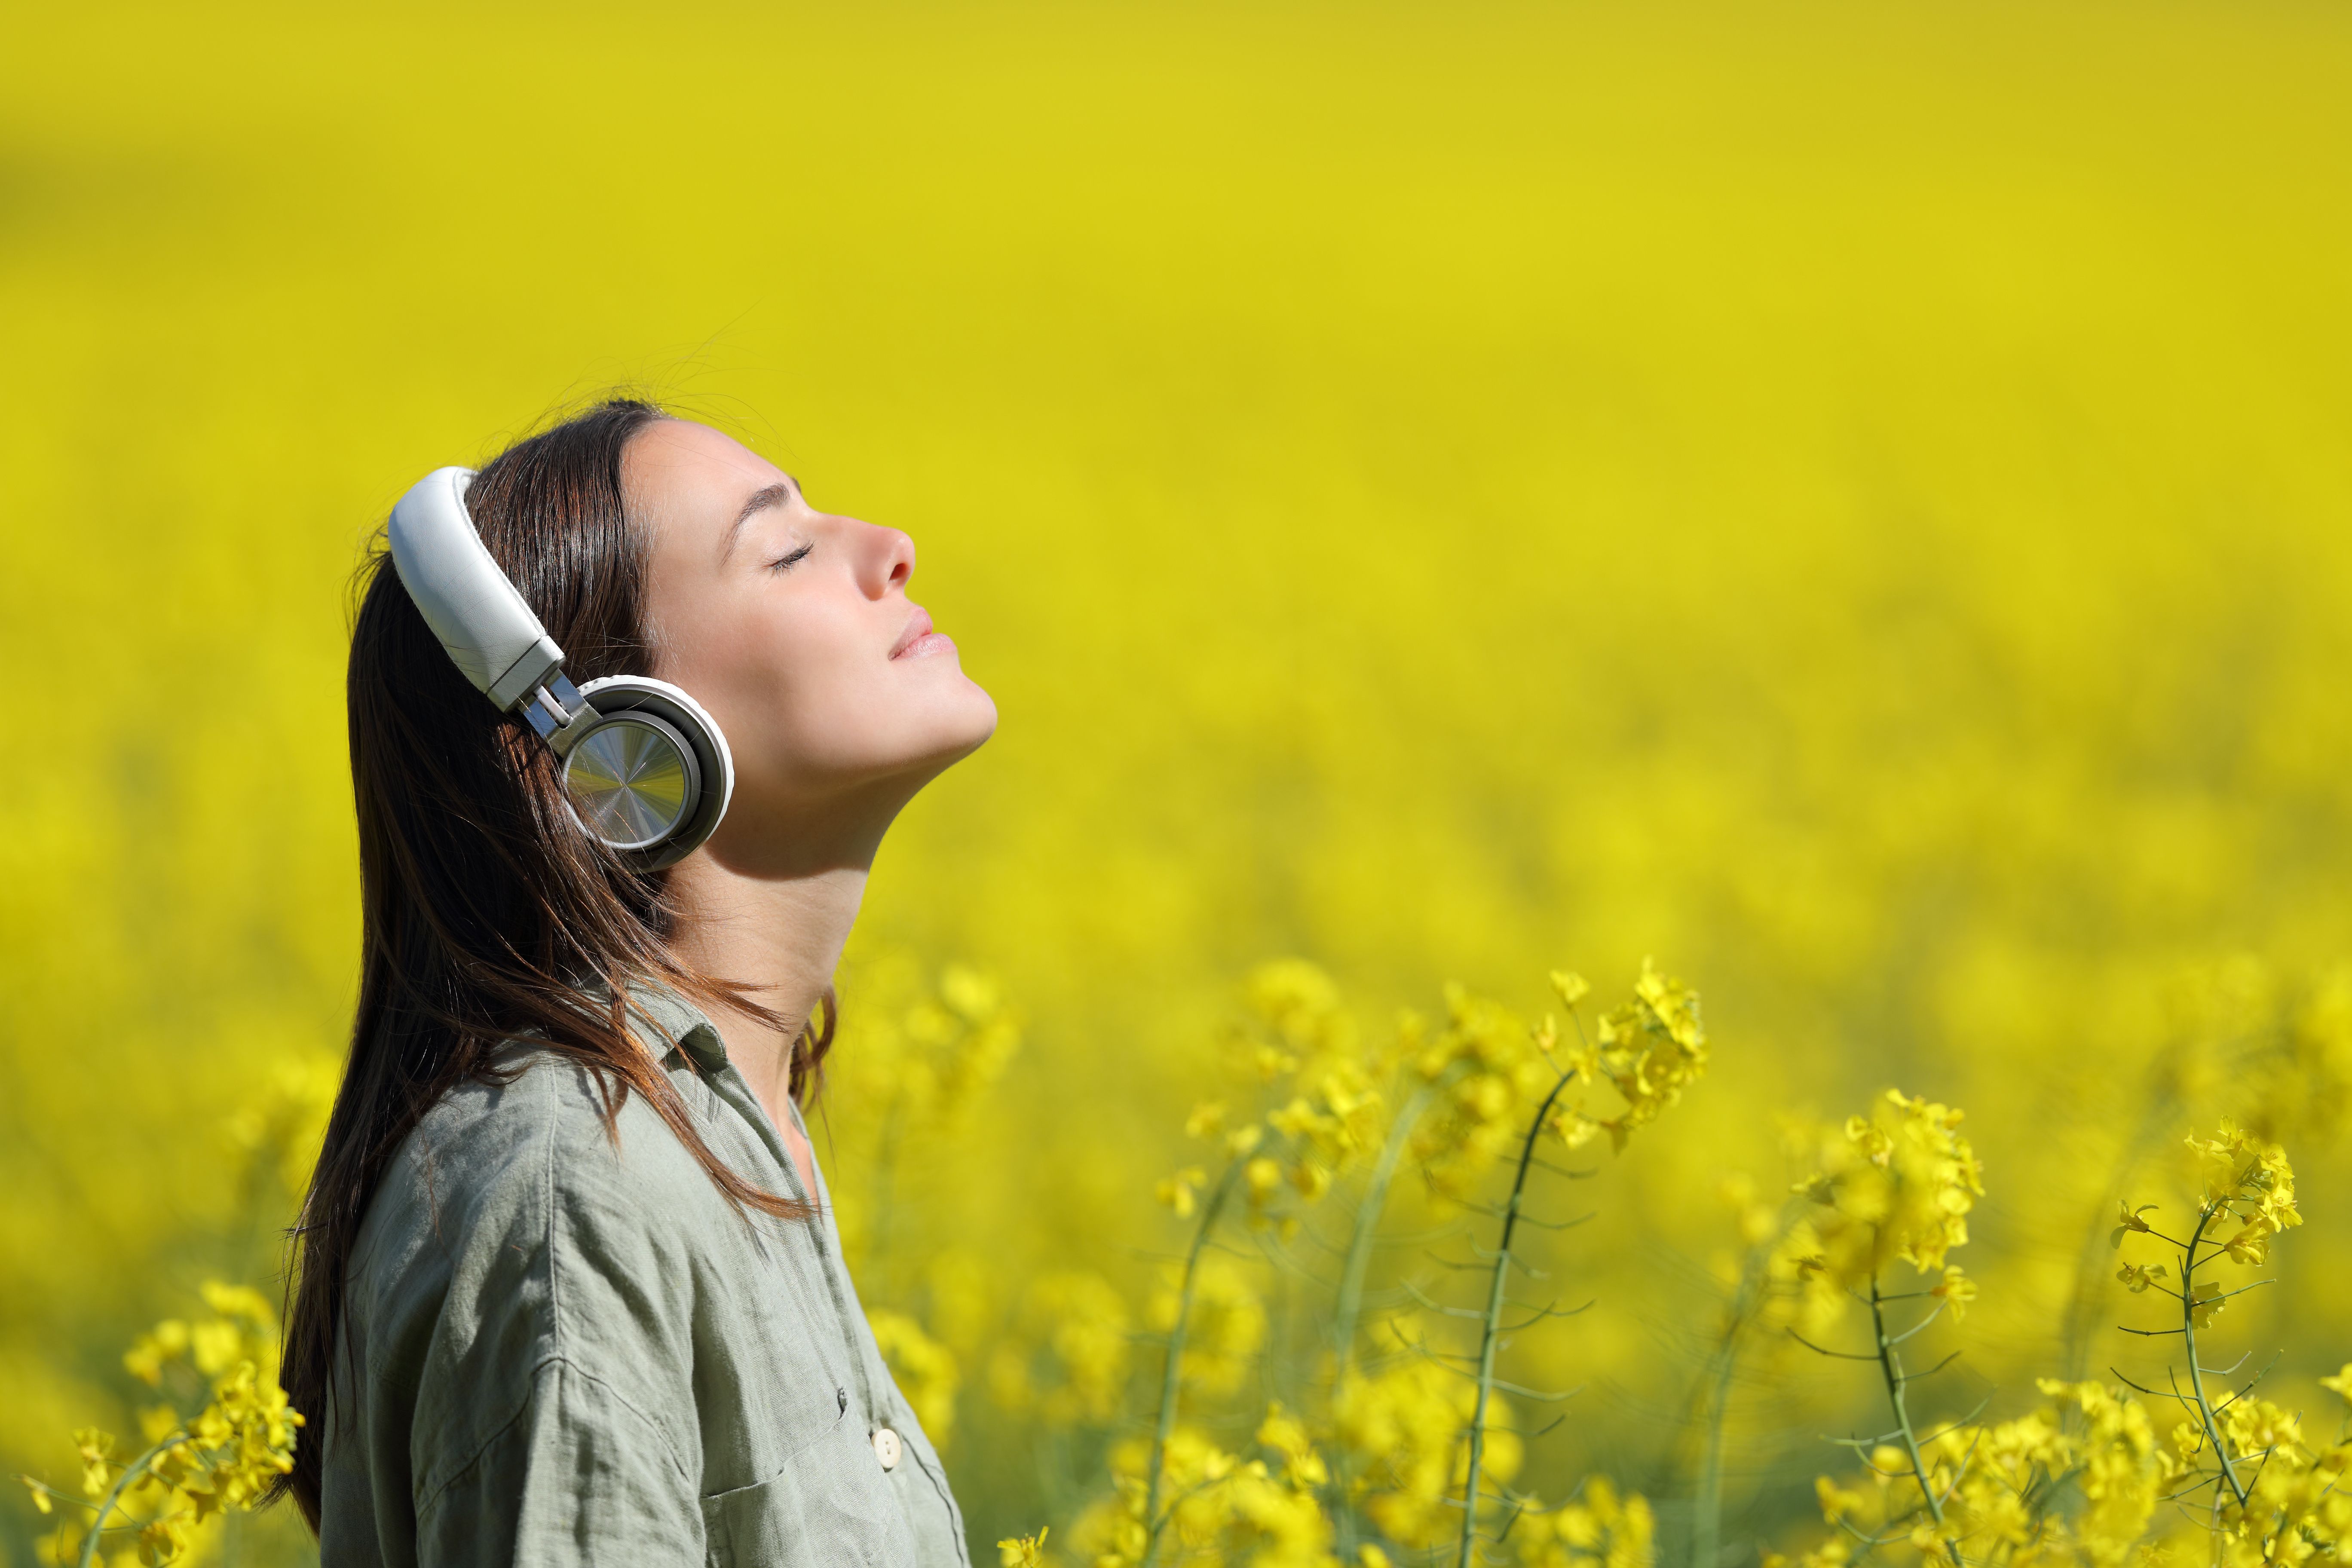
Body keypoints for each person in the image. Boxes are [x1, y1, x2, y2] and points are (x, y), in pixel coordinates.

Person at [276, 398, 998, 1565]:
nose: (890, 547)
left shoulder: (718, 1135)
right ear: (622, 743)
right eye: (788, 549)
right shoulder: (581, 1198)